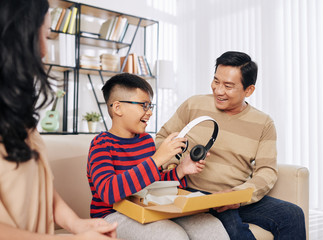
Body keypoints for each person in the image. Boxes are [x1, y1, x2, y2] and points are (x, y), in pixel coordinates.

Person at [156, 51, 306, 239]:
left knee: (292, 214)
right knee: (235, 229)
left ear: (248, 90)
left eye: (228, 86)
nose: (218, 90)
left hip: (236, 195)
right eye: (216, 81)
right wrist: (177, 164)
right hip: (193, 192)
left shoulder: (264, 123)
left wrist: (238, 195)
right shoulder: (193, 105)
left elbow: (267, 171)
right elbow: (161, 138)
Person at [0, 0, 118, 239]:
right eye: (42, 36)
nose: (44, 50)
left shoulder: (21, 119)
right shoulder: (103, 144)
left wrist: (77, 225)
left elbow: (42, 190)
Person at [87, 73, 229, 240]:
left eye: (150, 106)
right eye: (143, 105)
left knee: (210, 227)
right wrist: (157, 160)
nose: (149, 113)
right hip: (112, 215)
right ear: (118, 108)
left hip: (150, 208)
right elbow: (108, 191)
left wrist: (181, 170)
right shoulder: (101, 144)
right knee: (171, 235)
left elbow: (154, 186)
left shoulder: (146, 141)